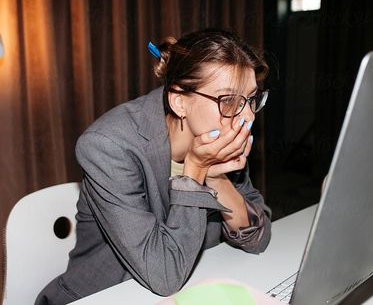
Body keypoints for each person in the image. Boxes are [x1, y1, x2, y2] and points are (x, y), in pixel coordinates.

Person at [35, 28, 272, 304]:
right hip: (105, 295)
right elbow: (165, 277)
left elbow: (259, 238)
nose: (246, 117)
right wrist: (195, 172)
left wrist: (218, 180)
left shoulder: (220, 139)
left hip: (195, 287)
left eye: (251, 99)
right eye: (228, 101)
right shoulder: (108, 146)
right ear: (179, 101)